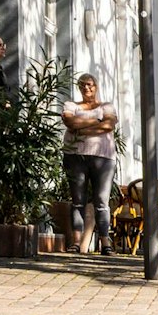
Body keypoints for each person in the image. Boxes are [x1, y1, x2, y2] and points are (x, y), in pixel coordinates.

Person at [61, 74, 118, 253]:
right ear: (79, 88)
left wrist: (80, 128)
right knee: (78, 200)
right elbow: (70, 122)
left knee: (102, 201)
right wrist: (97, 121)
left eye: (90, 84)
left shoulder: (107, 106)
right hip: (75, 156)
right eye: (83, 85)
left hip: (104, 157)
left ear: (96, 86)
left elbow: (109, 125)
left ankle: (105, 243)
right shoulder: (71, 105)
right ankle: (76, 242)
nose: (87, 88)